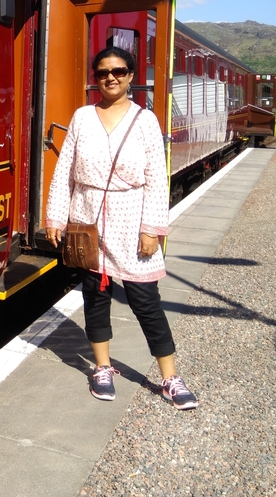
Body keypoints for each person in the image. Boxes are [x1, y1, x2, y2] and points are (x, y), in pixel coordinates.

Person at [46, 46, 198, 410]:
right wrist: (55, 216)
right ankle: (102, 367)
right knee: (94, 298)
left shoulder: (145, 120)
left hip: (132, 219)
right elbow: (65, 171)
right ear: (95, 78)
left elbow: (156, 180)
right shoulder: (82, 117)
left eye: (118, 71)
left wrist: (152, 229)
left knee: (146, 302)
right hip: (88, 220)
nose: (110, 77)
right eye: (102, 72)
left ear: (130, 76)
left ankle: (170, 377)